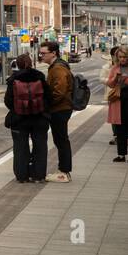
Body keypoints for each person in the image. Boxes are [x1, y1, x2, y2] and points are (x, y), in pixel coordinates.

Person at [4, 53, 51, 183]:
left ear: (17, 65)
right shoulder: (40, 77)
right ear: (31, 62)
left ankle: (22, 175)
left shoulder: (13, 79)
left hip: (19, 119)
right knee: (40, 146)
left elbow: (8, 101)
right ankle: (38, 174)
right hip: (39, 118)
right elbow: (48, 97)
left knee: (20, 148)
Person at [38, 40, 73, 183]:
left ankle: (64, 172)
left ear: (53, 53)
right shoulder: (56, 66)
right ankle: (63, 170)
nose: (41, 56)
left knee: (61, 140)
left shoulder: (58, 68)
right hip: (61, 108)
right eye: (40, 53)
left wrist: (47, 104)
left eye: (44, 53)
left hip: (60, 109)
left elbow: (59, 92)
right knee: (61, 140)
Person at [109, 49, 128, 162]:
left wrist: (125, 79)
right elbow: (110, 84)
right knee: (120, 128)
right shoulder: (115, 68)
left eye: (125, 56)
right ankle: (121, 155)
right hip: (119, 100)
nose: (122, 59)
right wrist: (115, 78)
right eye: (120, 57)